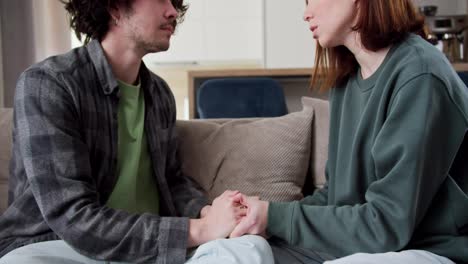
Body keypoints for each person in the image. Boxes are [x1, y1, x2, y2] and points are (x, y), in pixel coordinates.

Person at [0, 0, 273, 263]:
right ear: (114, 7)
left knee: (250, 249)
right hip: (58, 247)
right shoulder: (49, 84)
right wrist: (199, 229)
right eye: (161, 0)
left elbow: (172, 181)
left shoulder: (159, 94)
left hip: (147, 249)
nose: (173, 12)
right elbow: (72, 217)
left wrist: (211, 212)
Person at [230, 0, 468, 263]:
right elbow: (336, 199)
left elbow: (386, 226)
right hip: (368, 245)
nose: (306, 13)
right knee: (235, 252)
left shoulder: (420, 76)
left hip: (431, 249)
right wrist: (257, 217)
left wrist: (273, 218)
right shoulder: (347, 82)